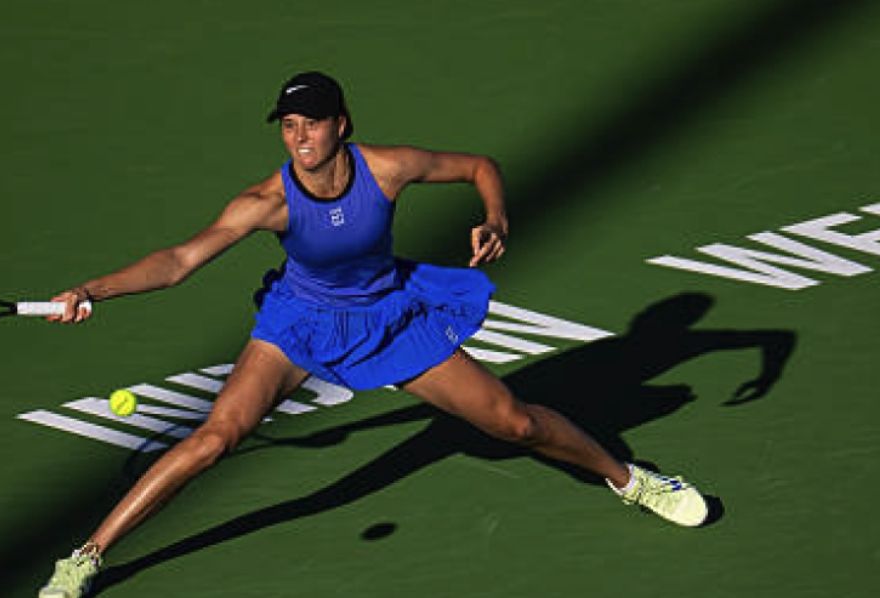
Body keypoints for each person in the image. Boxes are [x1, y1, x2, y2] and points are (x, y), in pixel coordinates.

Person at [37, 71, 707, 598]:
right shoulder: (264, 201)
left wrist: (496, 218)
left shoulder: (388, 167)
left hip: (389, 317)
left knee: (516, 424)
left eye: (312, 123)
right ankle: (85, 558)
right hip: (297, 323)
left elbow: (479, 165)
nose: (300, 137)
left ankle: (630, 480)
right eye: (289, 125)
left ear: (341, 124)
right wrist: (91, 290)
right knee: (215, 438)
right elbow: (179, 262)